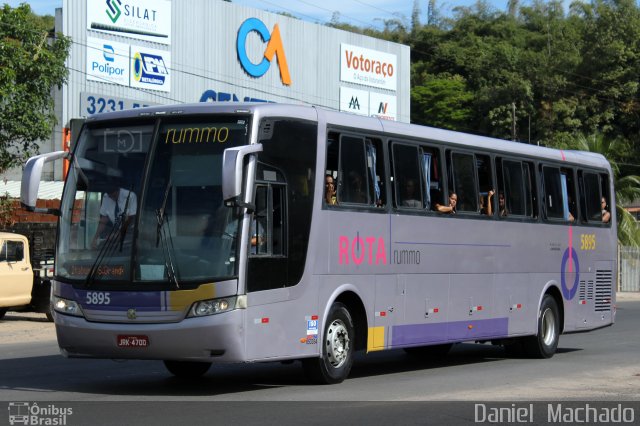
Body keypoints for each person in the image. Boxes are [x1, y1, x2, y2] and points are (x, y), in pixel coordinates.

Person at [91, 184, 137, 249]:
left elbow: (131, 218)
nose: (112, 198)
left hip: (129, 233)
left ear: (118, 190)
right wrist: (95, 238)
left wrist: (118, 234)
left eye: (114, 196)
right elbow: (104, 219)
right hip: (115, 232)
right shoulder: (106, 197)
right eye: (110, 196)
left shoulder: (131, 196)